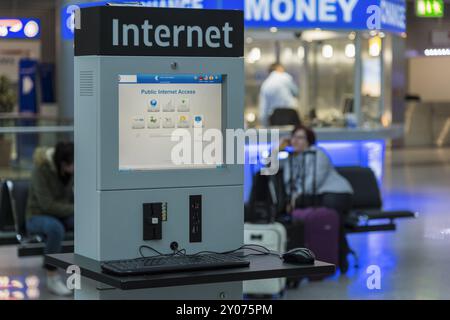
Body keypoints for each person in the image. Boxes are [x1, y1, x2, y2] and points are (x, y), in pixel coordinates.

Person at [278, 126, 354, 273]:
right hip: (316, 197)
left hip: (337, 193)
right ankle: (337, 258)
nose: (296, 141)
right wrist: (277, 149)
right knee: (322, 219)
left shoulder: (318, 154)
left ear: (309, 141)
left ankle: (339, 258)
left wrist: (295, 198)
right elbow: (267, 166)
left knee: (330, 216)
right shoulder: (291, 159)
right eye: (294, 137)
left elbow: (313, 182)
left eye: (301, 138)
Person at [26, 142, 74, 296]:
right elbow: (46, 205)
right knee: (55, 228)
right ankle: (52, 276)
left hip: (61, 214)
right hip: (37, 216)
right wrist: (78, 209)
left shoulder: (68, 172)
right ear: (62, 163)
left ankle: (86, 271)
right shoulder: (40, 170)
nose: (76, 167)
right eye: (73, 164)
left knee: (85, 223)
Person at [259, 63, 299, 127]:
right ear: (279, 68)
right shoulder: (285, 77)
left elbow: (264, 108)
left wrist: (264, 124)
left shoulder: (265, 84)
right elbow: (296, 92)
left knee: (277, 135)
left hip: (275, 117)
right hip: (290, 114)